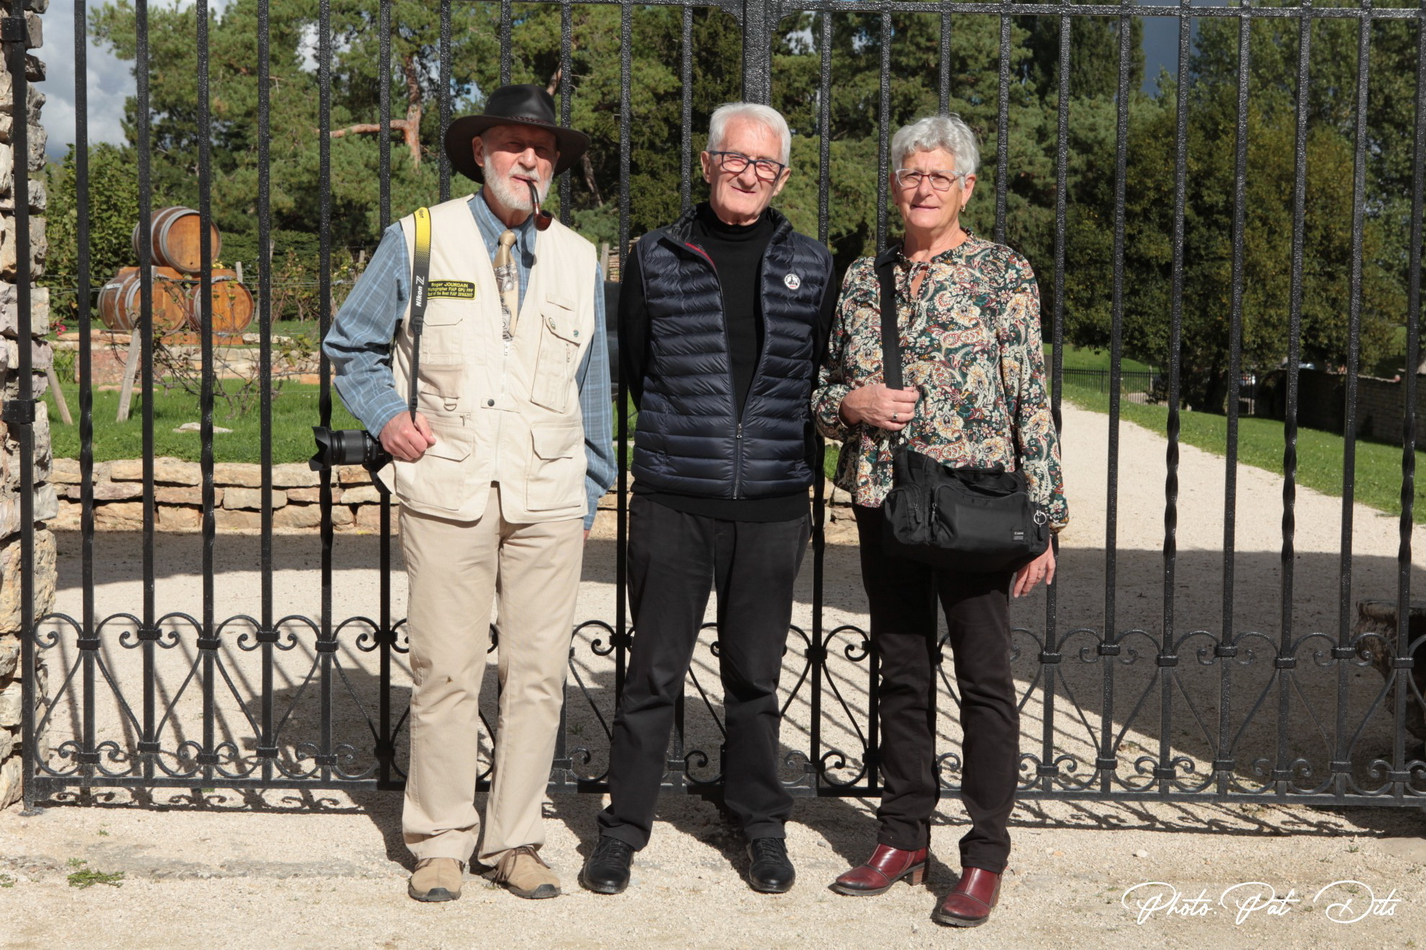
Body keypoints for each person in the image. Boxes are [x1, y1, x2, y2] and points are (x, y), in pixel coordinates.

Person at [323, 84, 616, 903]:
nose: (530, 160)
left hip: (548, 496)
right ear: (480, 153)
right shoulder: (420, 238)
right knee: (447, 671)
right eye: (514, 144)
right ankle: (441, 842)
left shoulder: (579, 257)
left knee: (538, 676)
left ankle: (514, 841)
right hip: (448, 487)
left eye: (543, 149)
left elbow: (593, 386)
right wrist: (388, 418)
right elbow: (351, 346)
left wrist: (590, 488)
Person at [810, 114, 1068, 927]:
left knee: (984, 681)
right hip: (886, 498)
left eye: (938, 175)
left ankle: (984, 854)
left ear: (966, 187)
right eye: (910, 173)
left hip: (975, 506)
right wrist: (849, 404)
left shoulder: (1002, 272)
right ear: (894, 184)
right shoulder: (863, 277)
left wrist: (1046, 519)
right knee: (903, 669)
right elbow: (823, 389)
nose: (923, 187)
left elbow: (1032, 397)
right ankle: (903, 835)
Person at [579, 102, 836, 896]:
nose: (748, 174)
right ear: (708, 162)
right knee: (652, 673)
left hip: (773, 502)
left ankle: (759, 824)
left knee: (755, 677)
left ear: (781, 177)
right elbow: (635, 367)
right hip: (674, 498)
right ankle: (624, 828)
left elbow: (820, 373)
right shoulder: (654, 257)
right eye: (735, 158)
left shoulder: (814, 264)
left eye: (765, 164)